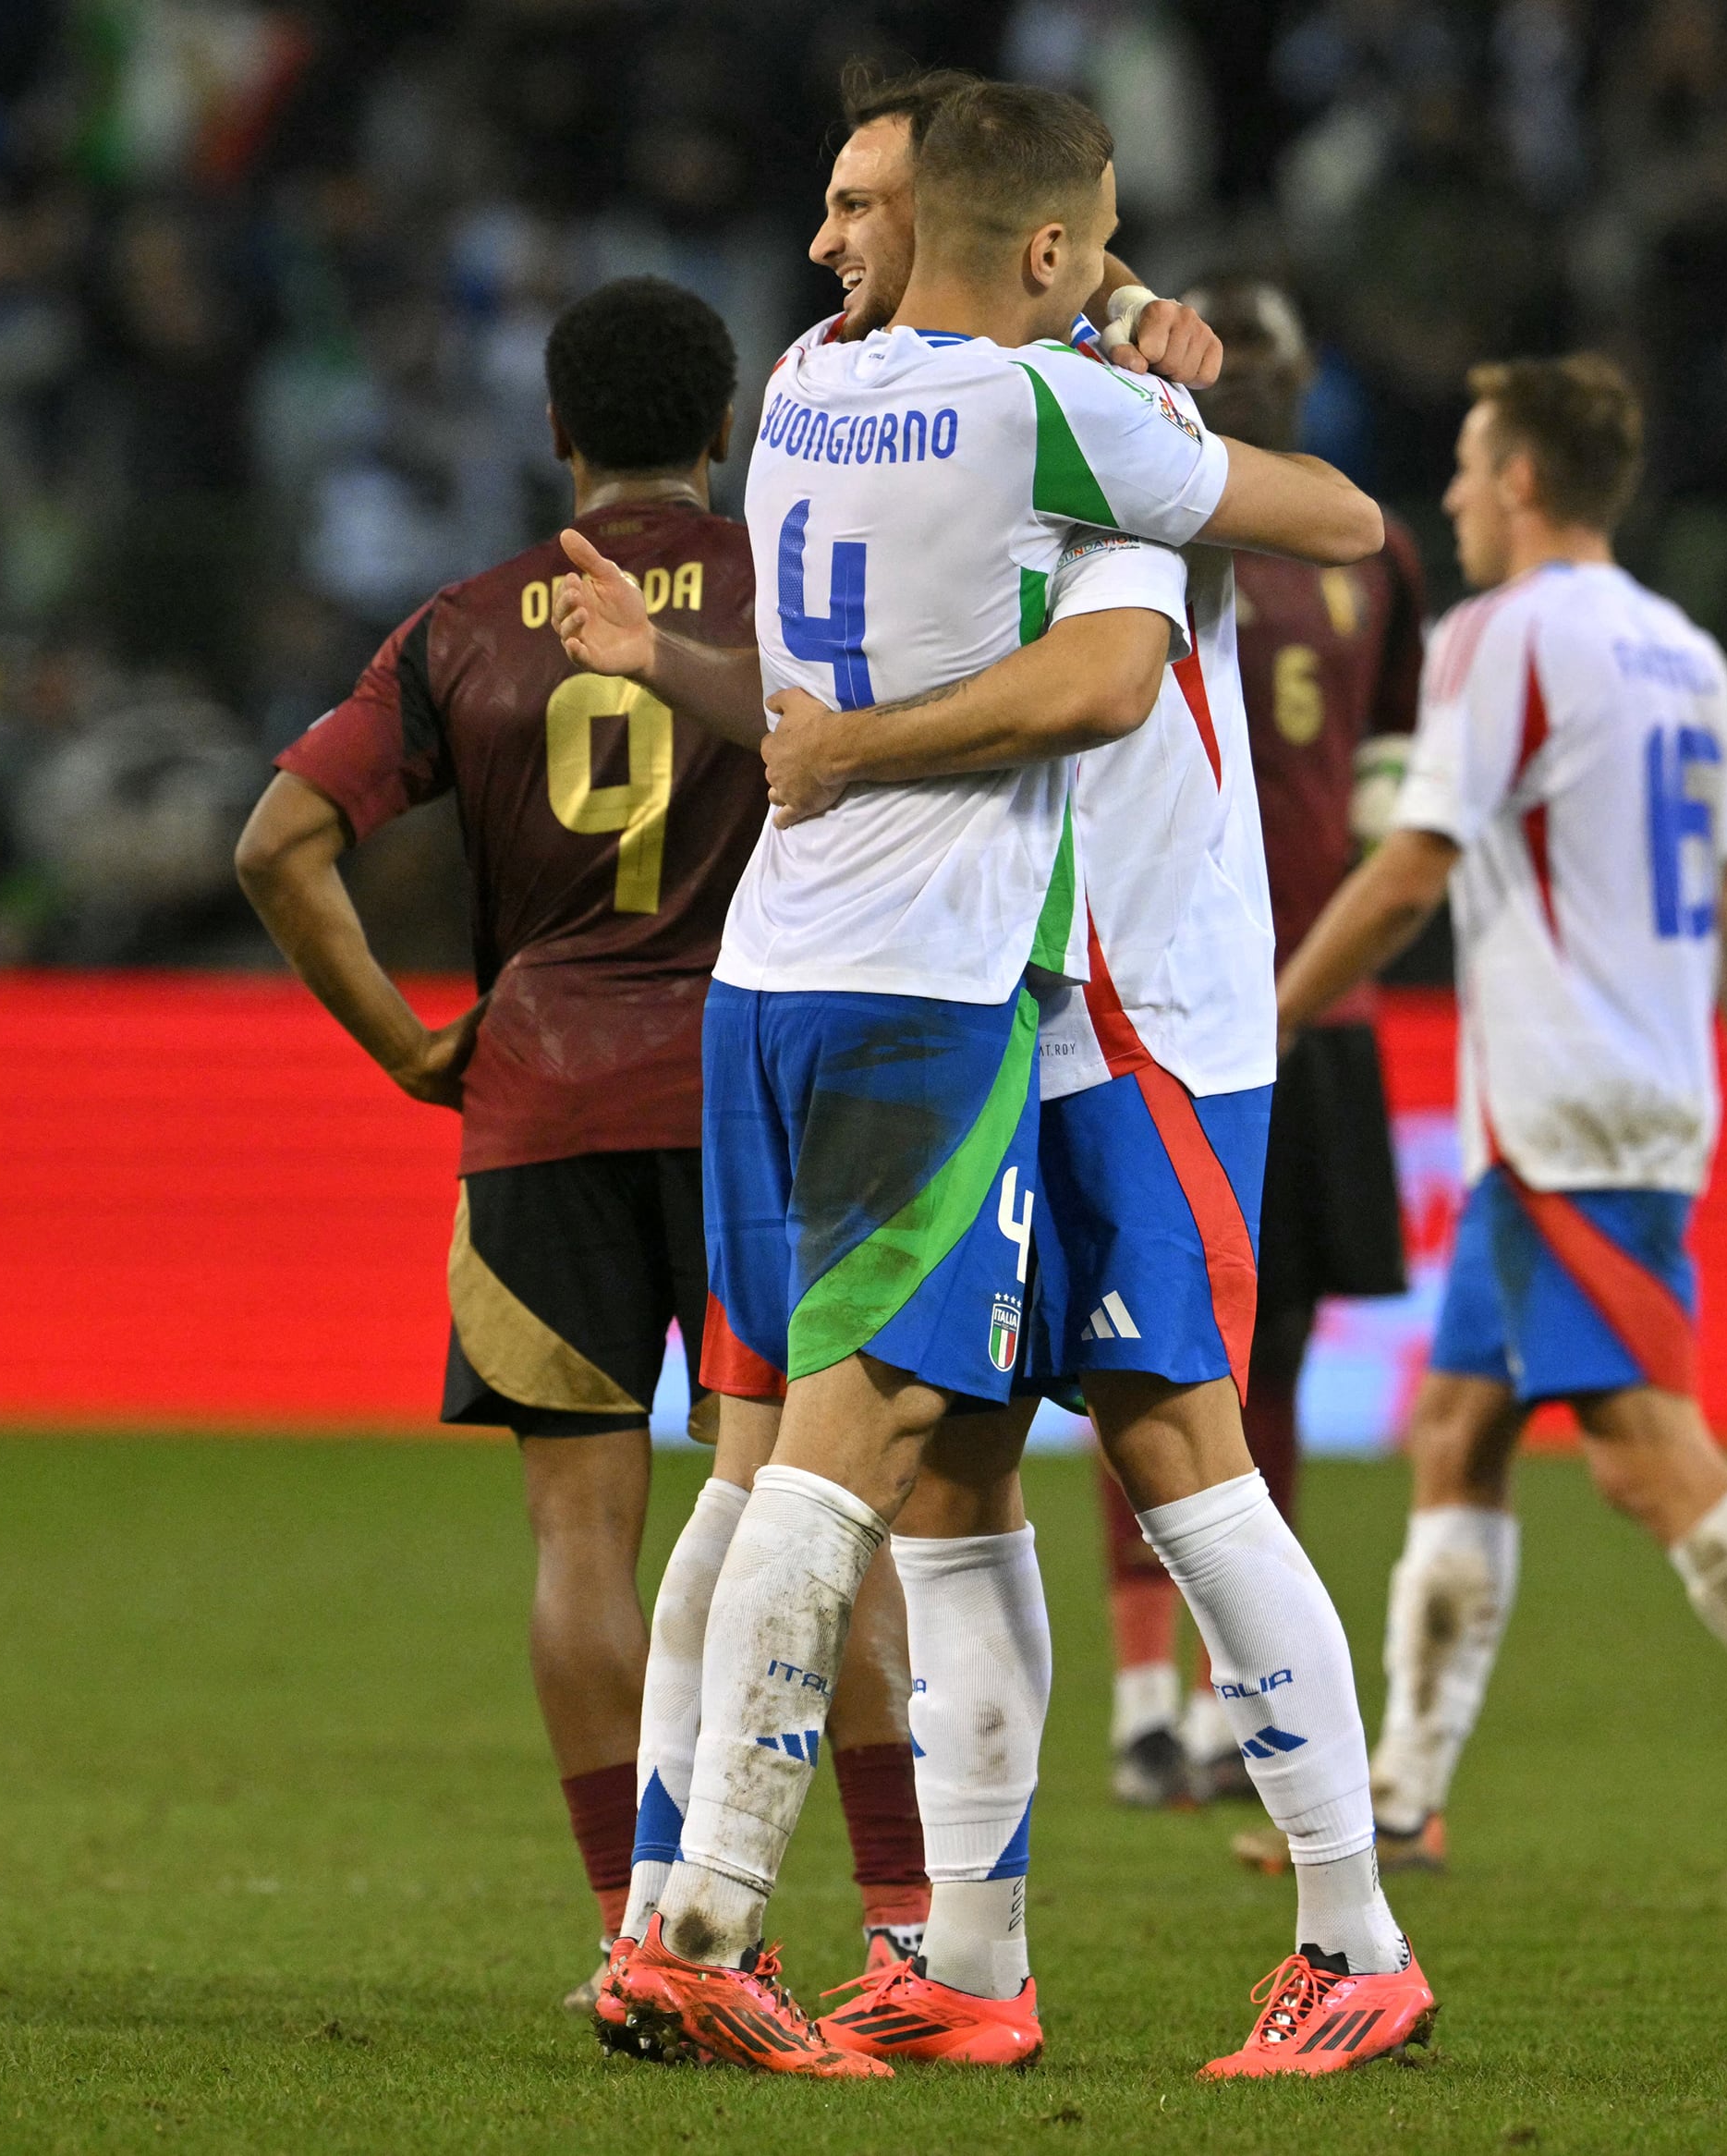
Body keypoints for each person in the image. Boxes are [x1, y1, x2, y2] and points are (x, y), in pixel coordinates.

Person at [574, 80, 1418, 2081]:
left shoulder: (908, 397)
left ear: (955, 222)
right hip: (990, 984)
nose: (827, 241)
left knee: (1174, 1447)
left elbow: (1123, 676)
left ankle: (1349, 1930)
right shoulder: (1009, 393)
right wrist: (1120, 327)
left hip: (1130, 995)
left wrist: (1132, 340)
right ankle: (966, 1950)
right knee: (948, 1474)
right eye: (830, 202)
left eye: (865, 203)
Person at [231, 275, 930, 2028]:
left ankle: (636, 1930)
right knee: (814, 1510)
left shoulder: (465, 620)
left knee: (578, 1538)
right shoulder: (789, 583)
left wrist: (407, 1043)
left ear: (555, 432)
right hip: (763, 1090)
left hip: (538, 1105)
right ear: (724, 432)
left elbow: (276, 844)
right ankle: (905, 1918)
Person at [1276, 353, 1727, 1888]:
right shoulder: (1683, 652)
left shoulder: (1496, 637)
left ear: (1520, 479)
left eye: (1463, 462)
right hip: (1641, 1087)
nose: (1447, 491)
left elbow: (1408, 866)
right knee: (1457, 1429)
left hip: (1562, 1105)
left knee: (1649, 1456)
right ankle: (1400, 1798)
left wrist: (1276, 1005)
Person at [1097, 276, 1428, 1818]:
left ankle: (1212, 1703)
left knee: (1250, 1341)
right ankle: (1157, 1694)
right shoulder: (1179, 522)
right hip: (1202, 1000)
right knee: (1167, 1348)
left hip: (1288, 1009)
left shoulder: (1336, 546)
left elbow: (1393, 790)